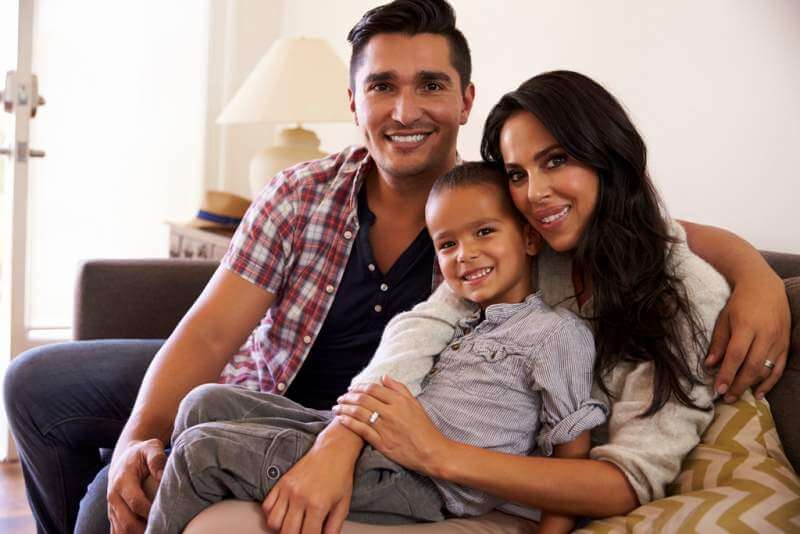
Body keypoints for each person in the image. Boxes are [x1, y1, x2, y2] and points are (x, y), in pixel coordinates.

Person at [1, 1, 789, 533]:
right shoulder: (312, 192)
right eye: (382, 86)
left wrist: (750, 269)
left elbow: (639, 233)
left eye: (430, 86)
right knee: (37, 384)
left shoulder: (502, 221)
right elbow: (209, 337)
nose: (405, 110)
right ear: (355, 102)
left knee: (113, 501)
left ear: (464, 99)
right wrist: (145, 432)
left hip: (406, 441)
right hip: (286, 391)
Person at [331, 70, 736, 520]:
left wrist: (437, 454)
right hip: (415, 467)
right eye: (517, 174)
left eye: (556, 160)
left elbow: (627, 482)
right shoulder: (535, 246)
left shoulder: (685, 296)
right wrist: (339, 440)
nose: (535, 194)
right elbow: (425, 324)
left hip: (483, 496)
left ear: (608, 155)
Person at [145, 162, 607, 534]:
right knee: (203, 402)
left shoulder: (555, 334)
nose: (464, 253)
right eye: (447, 244)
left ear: (529, 238)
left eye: (484, 232)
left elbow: (572, 453)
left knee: (197, 452)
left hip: (418, 483)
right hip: (372, 440)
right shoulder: (456, 316)